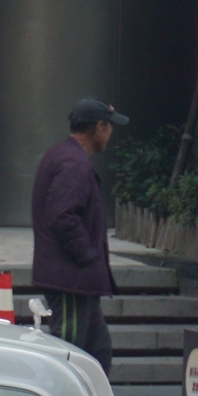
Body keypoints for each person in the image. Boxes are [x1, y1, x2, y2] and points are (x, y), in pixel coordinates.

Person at [32, 96, 126, 372]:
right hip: (70, 279)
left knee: (97, 350)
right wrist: (86, 255)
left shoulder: (63, 155)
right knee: (69, 354)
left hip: (74, 278)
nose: (110, 133)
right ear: (98, 127)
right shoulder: (74, 164)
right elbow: (63, 216)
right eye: (109, 126)